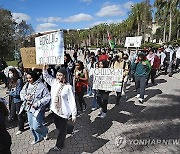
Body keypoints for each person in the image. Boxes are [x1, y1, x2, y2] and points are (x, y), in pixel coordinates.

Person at [43, 66, 77, 152]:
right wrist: (44, 68)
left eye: (60, 75)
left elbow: (72, 101)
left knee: (61, 130)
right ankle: (70, 128)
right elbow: (46, 77)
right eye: (57, 75)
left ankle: (59, 145)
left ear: (64, 76)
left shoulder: (68, 87)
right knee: (58, 126)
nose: (58, 77)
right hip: (55, 110)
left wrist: (74, 114)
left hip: (63, 112)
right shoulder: (54, 83)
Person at [20, 71, 50, 145]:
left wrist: (38, 103)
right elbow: (21, 93)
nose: (29, 80)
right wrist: (25, 97)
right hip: (29, 108)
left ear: (34, 77)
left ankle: (45, 131)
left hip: (38, 109)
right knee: (31, 126)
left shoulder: (41, 85)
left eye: (30, 78)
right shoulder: (26, 85)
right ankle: (37, 138)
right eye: (27, 78)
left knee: (36, 126)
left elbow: (47, 97)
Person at [7, 68, 26, 135]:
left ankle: (21, 128)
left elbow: (18, 93)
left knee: (19, 114)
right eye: (9, 73)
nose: (10, 74)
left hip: (18, 100)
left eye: (11, 73)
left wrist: (10, 93)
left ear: (14, 73)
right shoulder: (12, 80)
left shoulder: (19, 81)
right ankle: (24, 120)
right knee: (12, 114)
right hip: (13, 99)